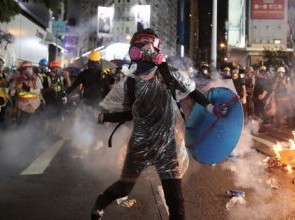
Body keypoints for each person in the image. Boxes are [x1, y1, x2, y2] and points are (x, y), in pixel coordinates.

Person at [91, 28, 222, 220]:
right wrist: (105, 118)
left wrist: (211, 107)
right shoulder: (130, 82)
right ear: (133, 50)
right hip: (141, 143)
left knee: (175, 200)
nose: (145, 51)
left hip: (167, 144)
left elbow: (192, 91)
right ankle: (101, 202)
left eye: (149, 45)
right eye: (140, 46)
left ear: (157, 49)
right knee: (125, 186)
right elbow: (129, 113)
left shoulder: (169, 73)